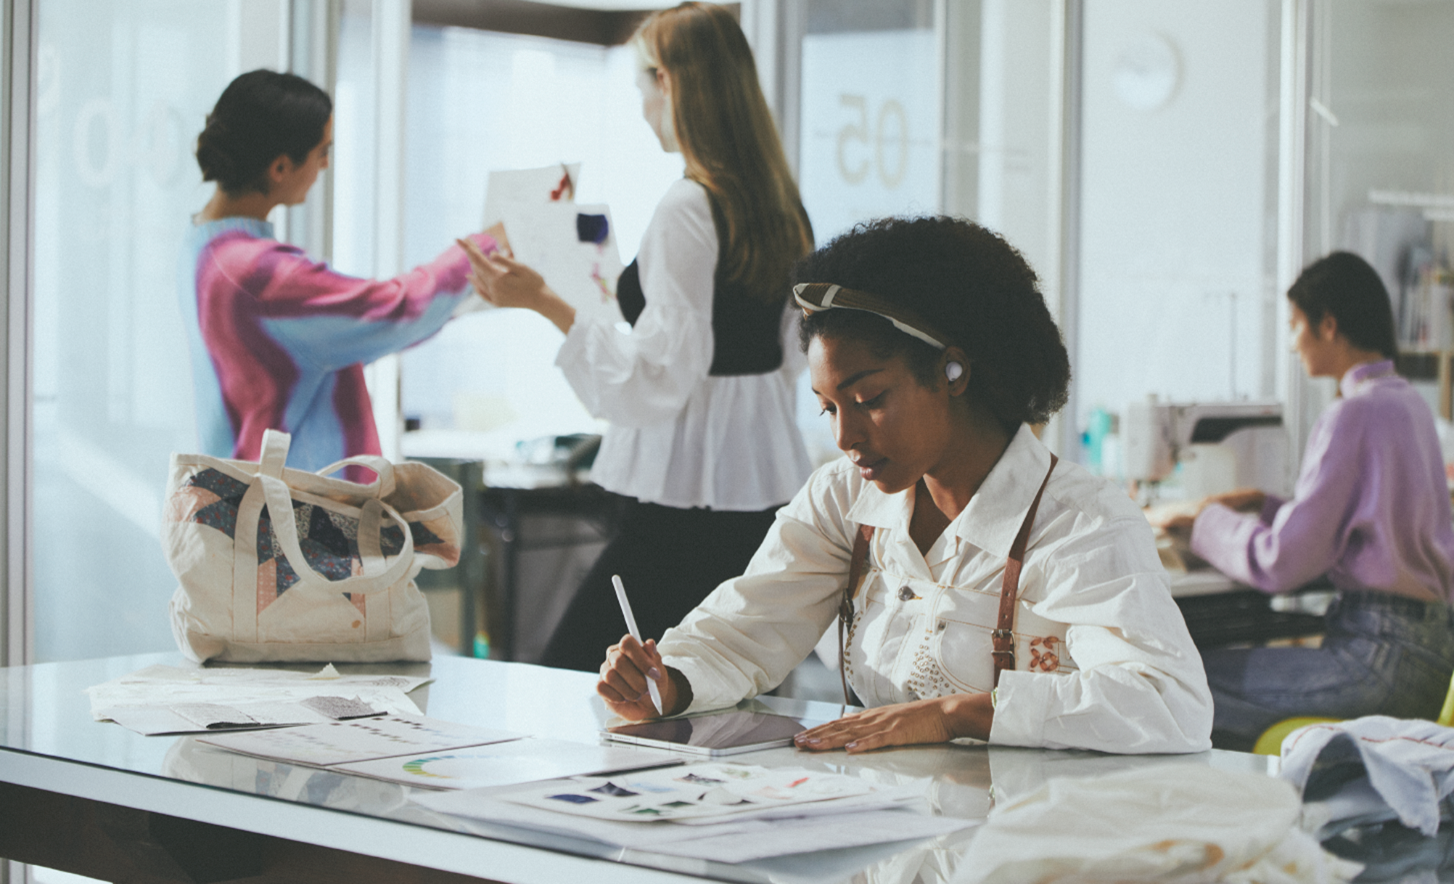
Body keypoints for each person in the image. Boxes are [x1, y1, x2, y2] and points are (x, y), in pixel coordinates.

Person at [593, 216, 1215, 755]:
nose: (845, 436)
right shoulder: (843, 499)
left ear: (953, 371)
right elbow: (744, 631)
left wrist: (954, 716)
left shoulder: (1078, 521)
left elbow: (1167, 701)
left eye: (869, 399)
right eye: (828, 408)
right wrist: (667, 681)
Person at [460, 2, 815, 670]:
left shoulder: (688, 205)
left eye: (641, 88)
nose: (641, 107)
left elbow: (663, 374)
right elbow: (790, 354)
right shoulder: (777, 203)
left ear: (671, 83)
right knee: (703, 687)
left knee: (582, 676)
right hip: (756, 478)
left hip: (685, 487)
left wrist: (542, 299)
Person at [1159, 251, 1454, 751]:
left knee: (1180, 682)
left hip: (1375, 660)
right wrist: (1271, 507)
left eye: (1296, 326)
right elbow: (1375, 525)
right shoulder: (1409, 405)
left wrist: (1204, 520)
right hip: (1426, 658)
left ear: (1329, 326)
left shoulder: (1352, 415)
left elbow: (1283, 563)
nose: (1293, 344)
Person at [184, 69, 497, 471]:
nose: (326, 164)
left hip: (259, 502)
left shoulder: (201, 245)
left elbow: (311, 348)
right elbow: (394, 309)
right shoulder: (257, 275)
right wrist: (486, 247)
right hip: (302, 516)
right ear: (280, 167)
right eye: (322, 152)